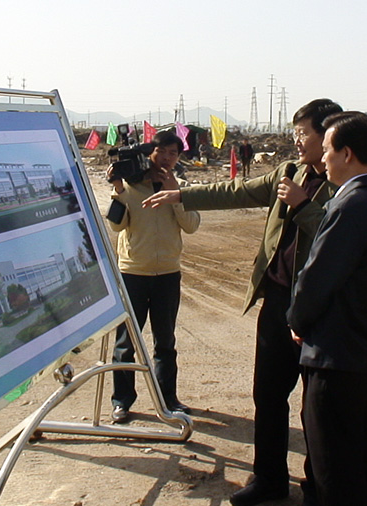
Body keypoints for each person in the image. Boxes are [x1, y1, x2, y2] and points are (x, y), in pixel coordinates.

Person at [143, 99, 343, 506]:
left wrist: (303, 204)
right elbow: (234, 191)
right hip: (277, 302)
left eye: (303, 133)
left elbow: (336, 238)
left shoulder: (343, 185)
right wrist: (180, 195)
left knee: (315, 408)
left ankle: (317, 488)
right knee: (267, 395)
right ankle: (268, 479)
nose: (297, 140)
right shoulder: (289, 172)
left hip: (317, 310)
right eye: (296, 132)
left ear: (328, 135)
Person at [288, 112, 367, 505]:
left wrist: (297, 320)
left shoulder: (349, 206)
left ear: (347, 154)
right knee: (363, 456)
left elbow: (318, 277)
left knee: (333, 466)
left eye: (328, 150)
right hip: (364, 354)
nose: (323, 159)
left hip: (336, 356)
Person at [107, 130, 201, 423]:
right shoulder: (132, 188)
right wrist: (119, 190)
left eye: (174, 153)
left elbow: (192, 225)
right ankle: (122, 401)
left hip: (167, 275)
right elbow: (116, 226)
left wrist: (175, 194)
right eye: (162, 152)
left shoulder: (181, 187)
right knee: (126, 343)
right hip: (133, 272)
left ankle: (167, 400)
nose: (167, 158)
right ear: (150, 153)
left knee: (165, 342)